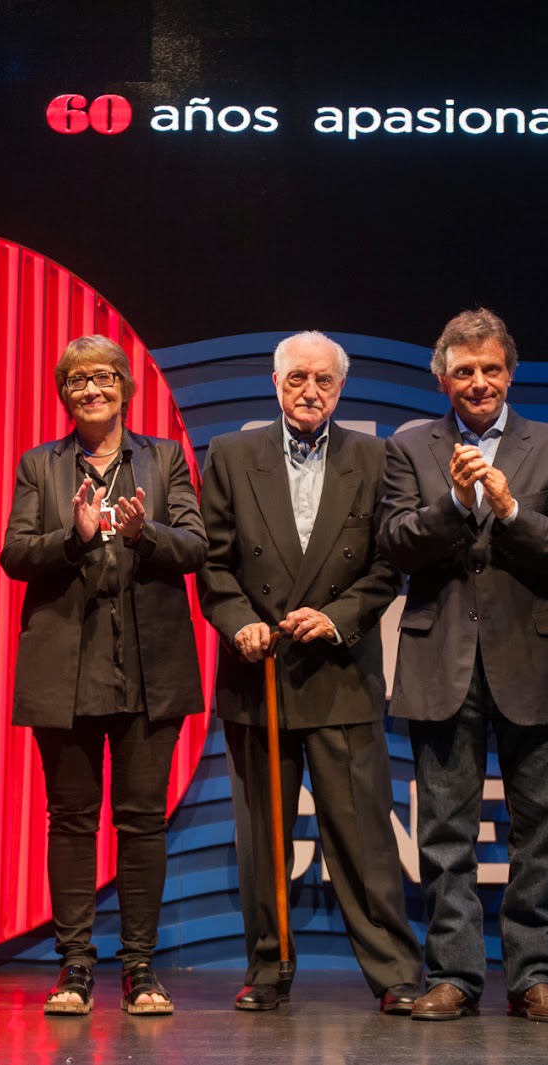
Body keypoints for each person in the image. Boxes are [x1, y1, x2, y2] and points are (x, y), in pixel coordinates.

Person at [376, 309, 548, 1023]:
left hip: (534, 658)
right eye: (464, 371)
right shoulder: (411, 446)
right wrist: (454, 502)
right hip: (440, 658)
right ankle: (455, 975)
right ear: (443, 377)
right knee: (444, 831)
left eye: (491, 369)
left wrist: (508, 506)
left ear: (511, 371)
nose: (479, 382)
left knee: (544, 829)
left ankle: (534, 974)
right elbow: (396, 544)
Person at [199, 331, 423, 1014]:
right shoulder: (232, 455)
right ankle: (268, 968)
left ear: (340, 388)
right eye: (297, 378)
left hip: (339, 671)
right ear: (275, 382)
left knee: (362, 837)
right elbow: (214, 560)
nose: (310, 391)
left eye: (324, 380)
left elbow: (388, 563)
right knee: (264, 837)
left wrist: (337, 617)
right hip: (256, 673)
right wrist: (240, 621)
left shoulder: (375, 457)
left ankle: (392, 973)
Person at [1, 334, 206, 1017]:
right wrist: (75, 536)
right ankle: (76, 966)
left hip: (152, 670)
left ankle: (141, 967)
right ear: (65, 394)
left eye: (103, 377)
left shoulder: (165, 457)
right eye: (77, 381)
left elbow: (196, 545)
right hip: (67, 668)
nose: (91, 389)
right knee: (71, 819)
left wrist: (145, 533)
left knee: (142, 821)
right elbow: (15, 554)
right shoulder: (41, 465)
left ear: (124, 386)